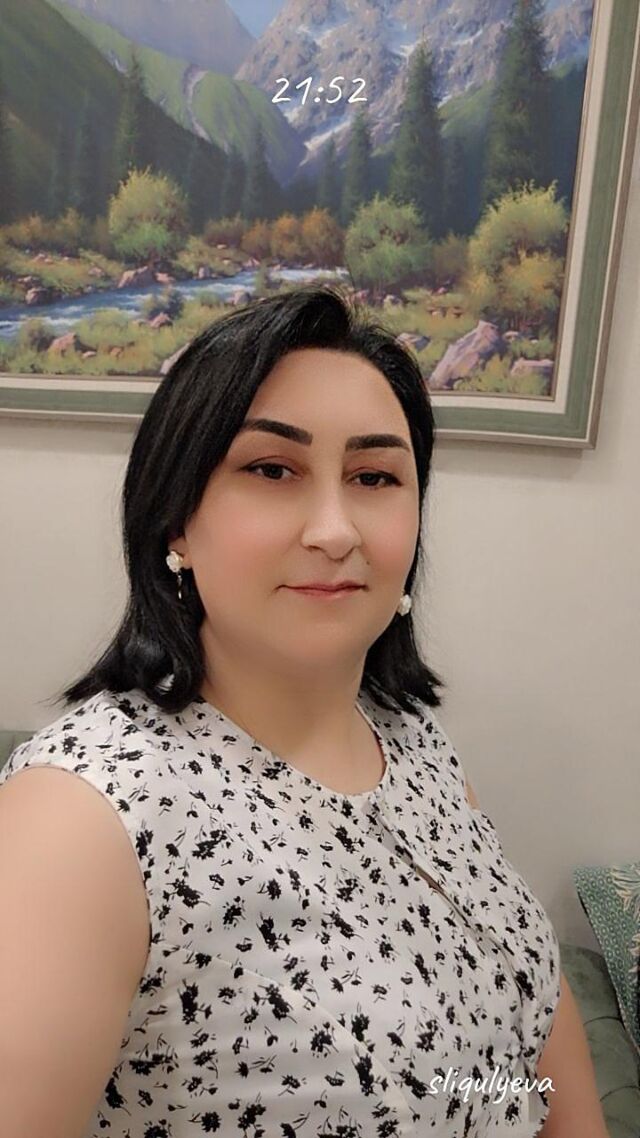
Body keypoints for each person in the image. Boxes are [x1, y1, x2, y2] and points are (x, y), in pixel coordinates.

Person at [0, 284, 607, 1138]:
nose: (335, 530)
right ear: (176, 520)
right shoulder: (81, 819)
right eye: (272, 470)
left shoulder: (413, 745)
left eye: (374, 477)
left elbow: (527, 1019)